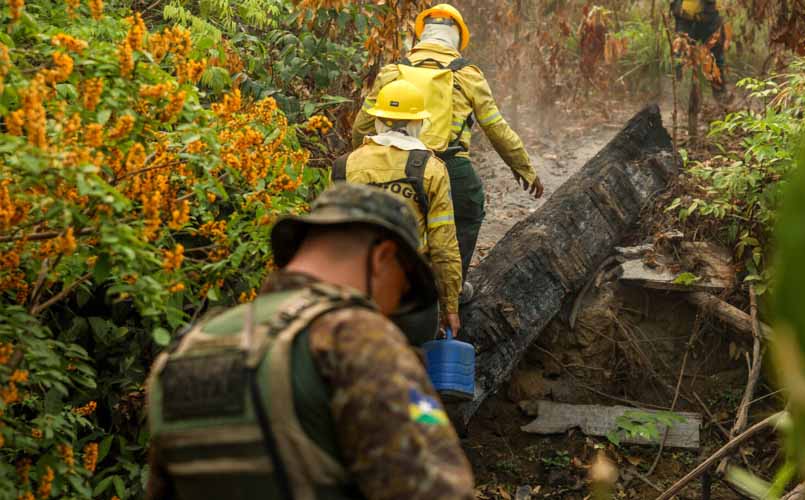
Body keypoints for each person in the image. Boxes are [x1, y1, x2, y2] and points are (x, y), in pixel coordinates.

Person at [144, 184, 475, 500]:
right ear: (382, 258)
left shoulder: (188, 348)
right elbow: (437, 488)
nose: (392, 311)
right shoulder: (354, 336)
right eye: (402, 290)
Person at [352, 3, 544, 302]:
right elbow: (496, 128)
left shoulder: (392, 71)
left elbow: (361, 127)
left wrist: (364, 159)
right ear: (456, 38)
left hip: (391, 159)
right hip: (449, 162)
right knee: (470, 207)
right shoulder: (468, 75)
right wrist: (523, 167)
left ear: (422, 35)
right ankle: (453, 288)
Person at [334, 79, 462, 340]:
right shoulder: (431, 169)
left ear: (378, 121)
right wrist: (450, 306)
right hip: (411, 300)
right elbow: (443, 246)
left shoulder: (344, 166)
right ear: (418, 124)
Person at [671, 0, 728, 100]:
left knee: (715, 60)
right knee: (679, 58)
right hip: (685, 17)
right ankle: (678, 98)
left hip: (710, 16)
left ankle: (722, 100)